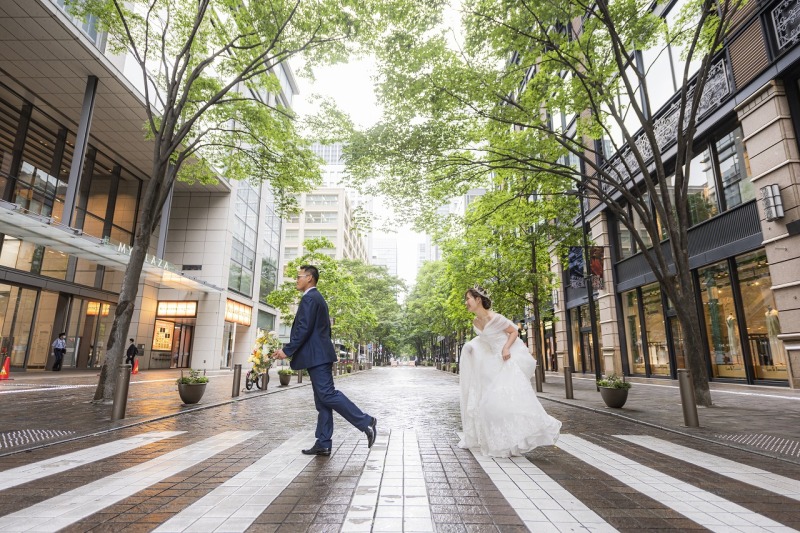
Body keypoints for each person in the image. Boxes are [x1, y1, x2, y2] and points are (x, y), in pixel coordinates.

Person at [273, 265, 377, 456]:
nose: (296, 280)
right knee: (322, 401)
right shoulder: (317, 298)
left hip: (317, 357)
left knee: (327, 395)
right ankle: (323, 442)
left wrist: (286, 350)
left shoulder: (310, 298)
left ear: (310, 278)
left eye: (299, 277)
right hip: (318, 355)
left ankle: (366, 422)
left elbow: (303, 329)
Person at [459, 286, 561, 457]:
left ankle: (519, 437)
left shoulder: (495, 317)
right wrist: (470, 348)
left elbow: (514, 332)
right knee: (491, 405)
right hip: (490, 365)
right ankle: (502, 442)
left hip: (505, 361)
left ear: (478, 300)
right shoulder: (476, 322)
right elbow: (483, 341)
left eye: (468, 298)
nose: (466, 302)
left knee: (506, 402)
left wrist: (506, 348)